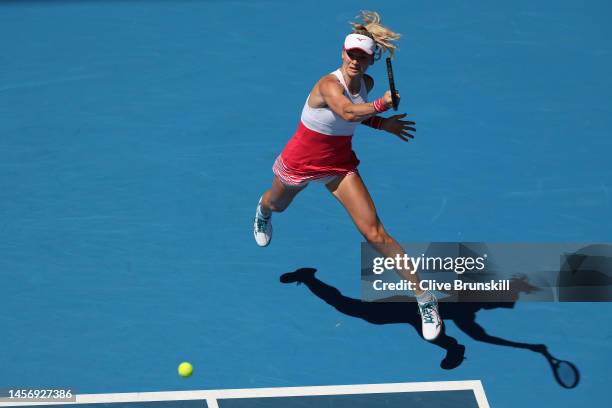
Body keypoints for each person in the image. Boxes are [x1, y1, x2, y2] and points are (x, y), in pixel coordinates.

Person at [253, 11, 442, 341]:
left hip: (338, 165)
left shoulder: (365, 84)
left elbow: (355, 116)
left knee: (375, 233)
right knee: (276, 203)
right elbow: (346, 111)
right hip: (300, 162)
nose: (355, 60)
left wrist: (383, 124)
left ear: (370, 61)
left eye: (362, 56)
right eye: (351, 54)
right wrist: (382, 107)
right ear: (342, 53)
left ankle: (425, 298)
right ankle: (263, 214)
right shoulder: (328, 85)